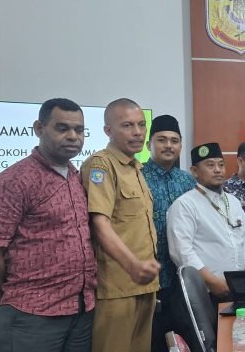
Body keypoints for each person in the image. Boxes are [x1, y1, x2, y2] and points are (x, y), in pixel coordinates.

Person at [0, 98, 96, 352]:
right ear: (39, 128)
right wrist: (14, 303)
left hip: (81, 310)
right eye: (62, 128)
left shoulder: (75, 176)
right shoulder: (11, 183)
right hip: (32, 317)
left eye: (79, 130)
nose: (73, 136)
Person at [81, 98, 160, 352]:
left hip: (145, 284)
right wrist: (133, 265)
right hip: (117, 287)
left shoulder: (136, 168)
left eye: (141, 124)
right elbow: (99, 223)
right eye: (127, 125)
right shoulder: (101, 164)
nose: (137, 132)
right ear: (108, 131)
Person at [167, 143, 245, 301]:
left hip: (240, 289)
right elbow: (181, 251)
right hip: (205, 292)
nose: (218, 170)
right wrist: (212, 282)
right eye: (210, 165)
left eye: (221, 165)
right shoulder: (184, 205)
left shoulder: (233, 201)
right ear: (194, 171)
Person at [140, 115, 195, 352]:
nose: (169, 145)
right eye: (161, 140)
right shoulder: (138, 177)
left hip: (183, 277)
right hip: (150, 276)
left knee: (185, 338)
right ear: (148, 144)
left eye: (174, 140)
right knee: (153, 340)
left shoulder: (188, 181)